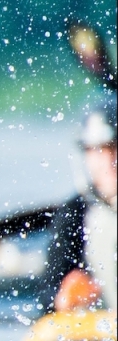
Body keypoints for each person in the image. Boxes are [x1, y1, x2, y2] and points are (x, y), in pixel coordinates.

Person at [41, 94, 117, 313]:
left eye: (114, 148)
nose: (109, 161)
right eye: (99, 150)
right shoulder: (74, 214)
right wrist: (65, 296)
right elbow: (47, 295)